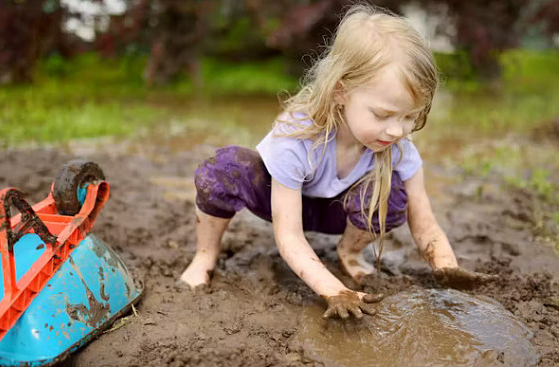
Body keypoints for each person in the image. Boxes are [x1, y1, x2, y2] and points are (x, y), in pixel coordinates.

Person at [179, 4, 493, 319]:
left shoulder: (398, 146)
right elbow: (289, 236)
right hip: (283, 203)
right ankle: (204, 256)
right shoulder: (297, 138)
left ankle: (350, 252)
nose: (397, 130)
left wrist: (446, 267)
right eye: (382, 115)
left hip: (337, 213)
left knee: (394, 193)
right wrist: (334, 291)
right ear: (341, 91)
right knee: (223, 167)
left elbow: (423, 220)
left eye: (410, 116)